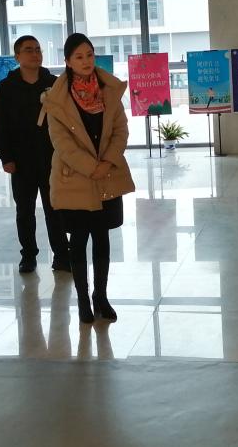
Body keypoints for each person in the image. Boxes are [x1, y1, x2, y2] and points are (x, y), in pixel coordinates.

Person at [42, 33, 135, 324]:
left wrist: (107, 162)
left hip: (106, 175)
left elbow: (121, 129)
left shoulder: (109, 90)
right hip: (75, 179)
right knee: (79, 240)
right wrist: (90, 167)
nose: (86, 61)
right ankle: (83, 299)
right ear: (68, 62)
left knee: (102, 238)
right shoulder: (56, 98)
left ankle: (101, 296)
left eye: (90, 55)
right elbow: (61, 142)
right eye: (79, 57)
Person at [0, 35, 69, 274]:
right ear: (17, 56)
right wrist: (5, 156)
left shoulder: (54, 83)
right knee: (25, 211)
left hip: (51, 158)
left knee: (55, 208)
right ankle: (28, 255)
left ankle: (61, 255)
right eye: (29, 50)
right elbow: (0, 123)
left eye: (38, 49)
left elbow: (65, 120)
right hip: (21, 160)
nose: (35, 54)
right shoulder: (7, 87)